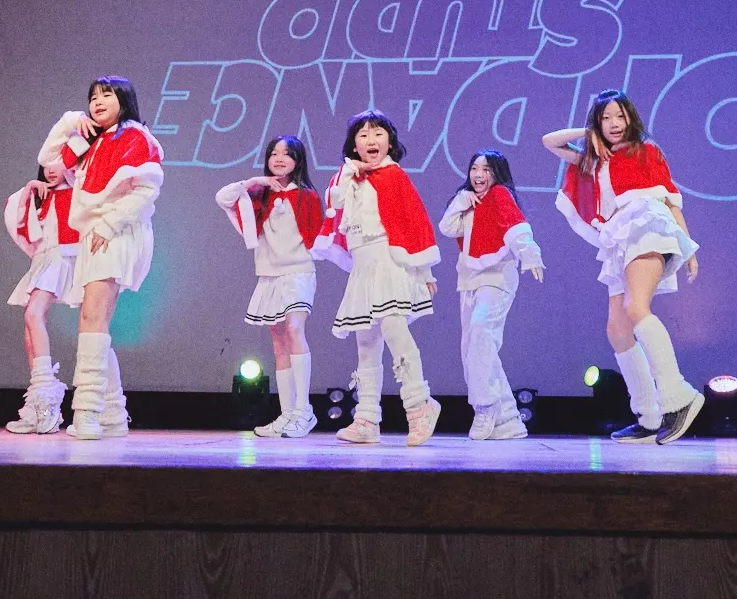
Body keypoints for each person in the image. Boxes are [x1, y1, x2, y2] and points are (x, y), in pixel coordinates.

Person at [545, 89, 704, 444]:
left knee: (636, 308)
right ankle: (649, 417)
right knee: (617, 329)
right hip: (619, 237)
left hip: (647, 224)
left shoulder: (647, 150)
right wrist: (586, 134)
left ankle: (679, 396)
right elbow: (549, 142)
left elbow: (671, 200)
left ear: (631, 117)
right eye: (605, 118)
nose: (614, 123)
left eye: (620, 115)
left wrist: (688, 247)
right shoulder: (594, 159)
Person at [39, 76, 164, 441]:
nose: (97, 101)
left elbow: (147, 189)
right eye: (92, 96)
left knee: (92, 318)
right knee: (94, 320)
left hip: (117, 231)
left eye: (106, 95)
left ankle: (87, 412)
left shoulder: (136, 136)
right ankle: (112, 413)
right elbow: (48, 161)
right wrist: (70, 122)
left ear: (124, 100)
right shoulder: (90, 139)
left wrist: (109, 224)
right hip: (94, 233)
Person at [319, 110, 442, 447]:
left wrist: (424, 269)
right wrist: (349, 171)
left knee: (394, 330)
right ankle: (367, 418)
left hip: (389, 261)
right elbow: (334, 202)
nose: (371, 140)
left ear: (390, 141)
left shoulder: (394, 176)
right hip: (363, 267)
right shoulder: (349, 177)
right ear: (353, 145)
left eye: (378, 134)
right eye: (363, 135)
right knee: (366, 341)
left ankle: (420, 405)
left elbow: (414, 221)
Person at [215, 135, 325, 437]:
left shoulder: (307, 196)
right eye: (274, 153)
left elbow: (318, 235)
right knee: (279, 343)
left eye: (287, 154)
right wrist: (253, 182)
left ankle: (304, 411)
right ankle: (288, 413)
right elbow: (223, 197)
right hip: (269, 276)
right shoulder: (259, 196)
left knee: (294, 330)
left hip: (298, 273)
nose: (279, 158)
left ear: (297, 161)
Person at [439, 149, 544, 441]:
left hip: (497, 278)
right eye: (474, 168)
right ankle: (508, 418)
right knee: (474, 346)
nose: (479, 174)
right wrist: (460, 202)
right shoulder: (469, 202)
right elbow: (447, 228)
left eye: (486, 169)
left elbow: (515, 226)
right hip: (469, 281)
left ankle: (485, 406)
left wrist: (530, 254)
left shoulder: (499, 195)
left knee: (481, 333)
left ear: (497, 173)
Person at [2, 147, 81, 434]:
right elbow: (22, 225)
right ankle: (38, 406)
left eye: (57, 163)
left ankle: (47, 401)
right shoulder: (41, 195)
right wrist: (29, 189)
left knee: (33, 315)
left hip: (60, 259)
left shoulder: (76, 192)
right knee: (30, 322)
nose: (50, 169)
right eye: (46, 164)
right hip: (43, 260)